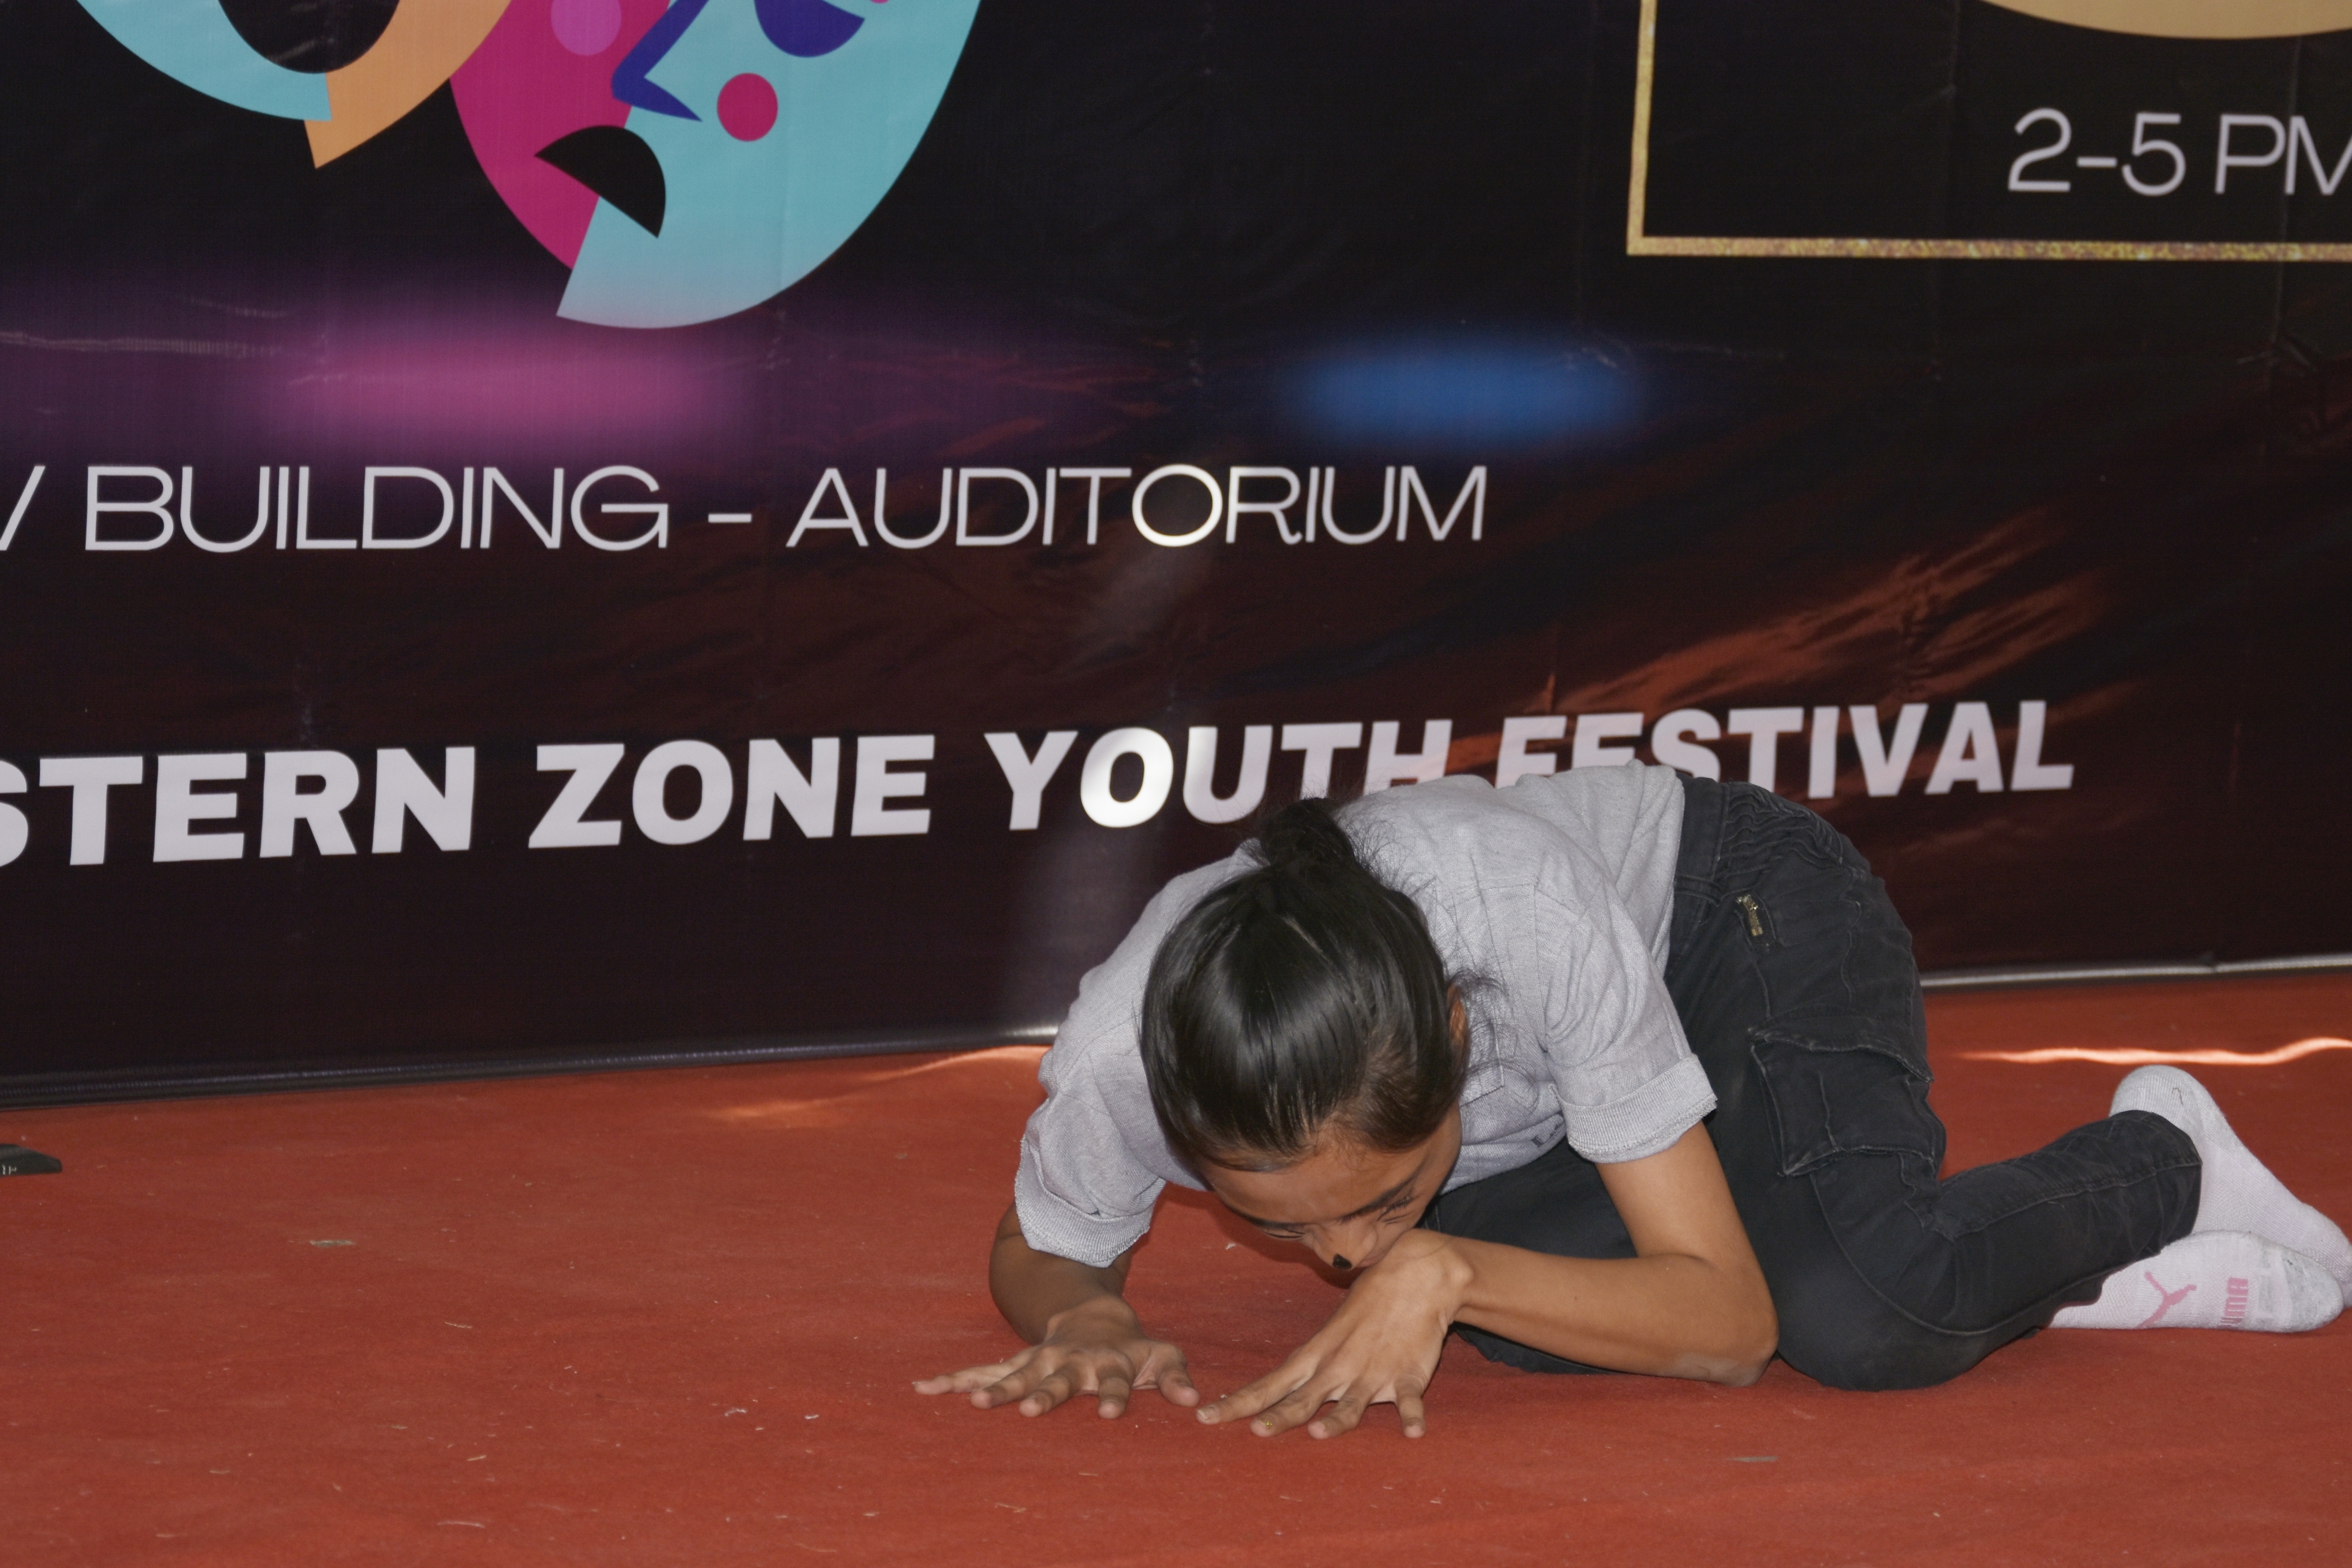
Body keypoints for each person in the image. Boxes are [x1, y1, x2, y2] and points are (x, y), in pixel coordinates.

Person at [917, 765, 2350, 1438]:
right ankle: (2001, 1259)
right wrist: (1084, 1316)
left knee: (1865, 1313)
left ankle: (2163, 1158)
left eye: (1385, 1196)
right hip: (1579, 1074)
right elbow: (1044, 1244)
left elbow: (1728, 1334)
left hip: (1726, 917)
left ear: (1458, 1041)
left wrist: (1450, 1260)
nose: (1341, 1255)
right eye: (1281, 1223)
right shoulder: (1132, 1051)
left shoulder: (1521, 919)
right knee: (1533, 1323)